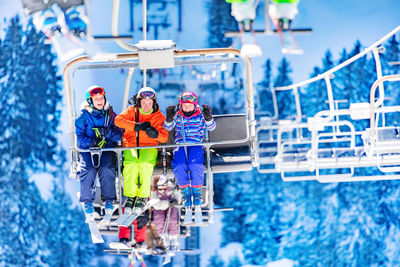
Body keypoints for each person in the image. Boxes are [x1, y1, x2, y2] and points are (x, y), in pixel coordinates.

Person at [163, 92, 216, 224]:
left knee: (195, 165)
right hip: (180, 145)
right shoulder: (178, 116)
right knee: (179, 165)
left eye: (189, 106)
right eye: (184, 106)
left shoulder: (200, 116)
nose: (187, 109)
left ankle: (196, 193)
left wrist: (208, 118)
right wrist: (169, 118)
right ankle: (186, 193)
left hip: (196, 145)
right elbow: (167, 127)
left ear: (194, 105)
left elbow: (212, 127)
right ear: (180, 106)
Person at [114, 87, 169, 216]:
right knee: (131, 165)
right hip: (131, 145)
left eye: (149, 103)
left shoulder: (158, 116)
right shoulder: (131, 112)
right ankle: (131, 196)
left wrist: (155, 134)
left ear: (154, 103)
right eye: (143, 103)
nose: (146, 106)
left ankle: (143, 196)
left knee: (144, 165)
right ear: (139, 102)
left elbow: (164, 137)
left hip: (149, 147)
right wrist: (136, 126)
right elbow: (117, 121)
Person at [75, 85, 123, 222]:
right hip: (88, 149)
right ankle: (87, 203)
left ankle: (109, 201)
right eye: (96, 99)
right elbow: (79, 137)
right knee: (88, 169)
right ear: (90, 101)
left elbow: (119, 135)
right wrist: (91, 143)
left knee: (107, 168)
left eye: (101, 98)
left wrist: (108, 134)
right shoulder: (83, 117)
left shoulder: (111, 115)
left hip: (107, 147)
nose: (100, 101)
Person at [151, 175, 181, 250]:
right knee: (159, 219)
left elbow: (178, 194)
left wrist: (176, 200)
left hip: (171, 205)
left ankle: (173, 236)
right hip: (160, 206)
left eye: (163, 187)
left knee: (172, 218)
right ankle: (163, 235)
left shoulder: (172, 188)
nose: (162, 189)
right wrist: (167, 203)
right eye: (160, 188)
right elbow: (155, 204)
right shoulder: (154, 191)